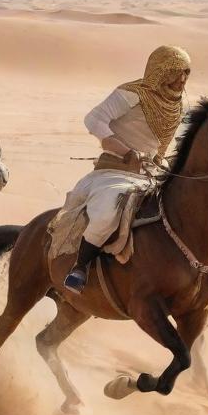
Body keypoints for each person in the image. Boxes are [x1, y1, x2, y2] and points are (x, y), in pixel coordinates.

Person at [63, 45, 192, 293]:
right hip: (114, 172)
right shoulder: (131, 94)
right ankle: (80, 267)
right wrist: (122, 149)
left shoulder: (179, 106)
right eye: (177, 72)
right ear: (160, 71)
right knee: (107, 213)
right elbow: (93, 119)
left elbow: (163, 146)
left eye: (186, 73)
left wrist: (161, 162)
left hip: (149, 175)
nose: (182, 80)